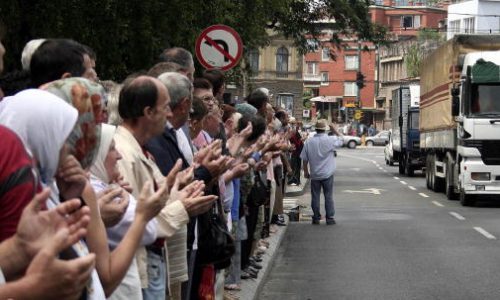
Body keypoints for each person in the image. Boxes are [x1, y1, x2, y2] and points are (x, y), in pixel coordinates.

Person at [300, 119, 343, 225]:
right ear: (325, 130)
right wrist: (336, 130)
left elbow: (304, 159)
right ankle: (330, 218)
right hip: (328, 174)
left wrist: (306, 171)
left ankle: (316, 217)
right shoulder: (330, 140)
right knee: (328, 196)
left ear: (316, 129)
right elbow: (342, 141)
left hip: (315, 174)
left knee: (315, 196)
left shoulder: (308, 142)